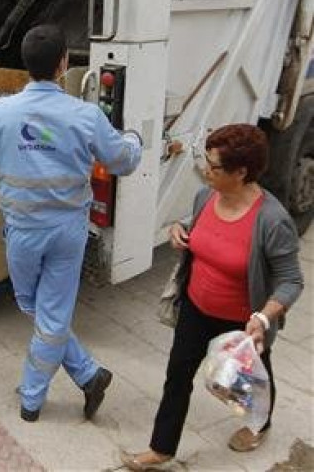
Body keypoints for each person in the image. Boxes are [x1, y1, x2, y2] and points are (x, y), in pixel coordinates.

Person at [0, 24, 143, 422]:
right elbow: (123, 160)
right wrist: (135, 139)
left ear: (24, 65)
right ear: (63, 64)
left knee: (33, 305)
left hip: (23, 231)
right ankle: (88, 375)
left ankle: (32, 398)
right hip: (68, 231)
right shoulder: (86, 115)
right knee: (49, 312)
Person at [120, 123, 304, 470]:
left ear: (241, 172)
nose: (205, 170)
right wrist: (180, 229)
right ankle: (162, 448)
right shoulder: (206, 196)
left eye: (214, 166)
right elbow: (196, 225)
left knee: (251, 379)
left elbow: (291, 280)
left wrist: (262, 318)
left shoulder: (272, 220)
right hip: (195, 307)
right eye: (205, 160)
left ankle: (259, 423)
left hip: (241, 322)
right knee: (177, 375)